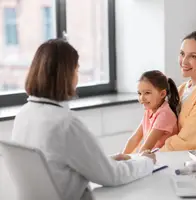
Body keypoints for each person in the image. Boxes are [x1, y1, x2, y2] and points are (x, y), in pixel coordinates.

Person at [11, 39, 156, 200]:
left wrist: (103, 162)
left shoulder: (23, 115)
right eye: (76, 70)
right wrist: (146, 162)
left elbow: (54, 165)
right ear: (66, 75)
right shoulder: (64, 124)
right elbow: (113, 176)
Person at [122, 70, 180, 154]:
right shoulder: (149, 110)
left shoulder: (164, 114)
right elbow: (135, 138)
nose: (142, 98)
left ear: (162, 94)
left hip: (163, 159)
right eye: (139, 93)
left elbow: (147, 147)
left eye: (147, 93)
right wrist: (121, 157)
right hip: (152, 157)